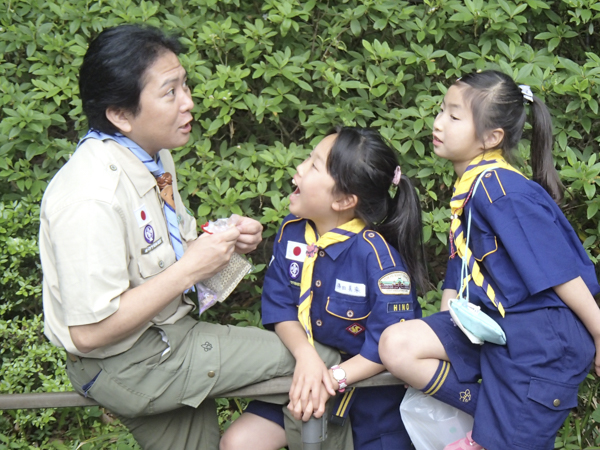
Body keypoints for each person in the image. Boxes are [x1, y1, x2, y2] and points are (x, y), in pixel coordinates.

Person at [39, 24, 344, 450]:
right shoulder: (91, 196)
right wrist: (190, 268)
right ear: (120, 114)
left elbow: (173, 257)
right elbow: (90, 331)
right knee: (322, 363)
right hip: (133, 363)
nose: (189, 103)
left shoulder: (151, 155)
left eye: (185, 85)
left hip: (163, 341)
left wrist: (225, 243)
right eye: (170, 92)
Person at [379, 70, 600, 450]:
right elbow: (460, 266)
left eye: (454, 116)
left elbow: (558, 272)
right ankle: (497, 419)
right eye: (442, 111)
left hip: (540, 345)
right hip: (494, 330)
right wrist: (445, 327)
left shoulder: (503, 190)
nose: (438, 123)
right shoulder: (474, 188)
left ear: (491, 137)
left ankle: (503, 426)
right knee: (398, 344)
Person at [220, 127, 428, 450]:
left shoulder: (378, 259)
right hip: (303, 376)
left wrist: (332, 378)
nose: (298, 170)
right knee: (238, 442)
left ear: (345, 200)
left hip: (368, 399)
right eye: (308, 159)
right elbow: (281, 307)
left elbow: (389, 345)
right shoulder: (291, 235)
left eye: (314, 166)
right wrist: (306, 358)